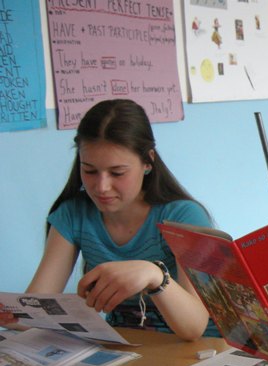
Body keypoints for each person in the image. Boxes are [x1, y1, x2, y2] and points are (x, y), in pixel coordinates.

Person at [0, 99, 215, 341]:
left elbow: (194, 327)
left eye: (117, 172)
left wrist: (155, 275)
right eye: (89, 171)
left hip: (196, 350)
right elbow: (35, 311)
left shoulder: (183, 217)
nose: (101, 187)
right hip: (127, 347)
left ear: (148, 162)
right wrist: (12, 315)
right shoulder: (73, 214)